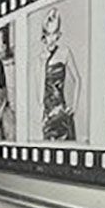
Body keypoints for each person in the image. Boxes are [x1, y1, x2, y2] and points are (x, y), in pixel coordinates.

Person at [36, 8, 80, 141]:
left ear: (58, 34)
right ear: (44, 36)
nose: (51, 38)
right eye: (48, 34)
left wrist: (74, 106)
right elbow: (40, 92)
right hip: (48, 115)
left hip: (62, 112)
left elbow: (78, 79)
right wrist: (42, 112)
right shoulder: (41, 57)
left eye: (54, 33)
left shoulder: (65, 52)